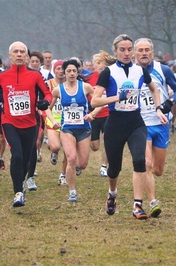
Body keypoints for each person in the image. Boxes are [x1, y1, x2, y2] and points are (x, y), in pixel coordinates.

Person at [91, 34, 167, 220]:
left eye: (129, 49)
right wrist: (118, 97)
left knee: (140, 161)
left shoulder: (141, 70)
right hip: (115, 124)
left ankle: (137, 206)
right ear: (115, 51)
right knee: (114, 168)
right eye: (122, 50)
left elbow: (154, 89)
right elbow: (94, 101)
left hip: (136, 123)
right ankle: (112, 193)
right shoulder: (108, 72)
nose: (126, 53)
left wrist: (158, 108)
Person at [0, 41, 54, 207]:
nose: (18, 54)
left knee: (25, 159)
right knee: (16, 155)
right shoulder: (1, 76)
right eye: (15, 52)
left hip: (31, 123)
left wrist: (45, 102)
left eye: (22, 52)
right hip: (10, 122)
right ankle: (18, 192)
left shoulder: (36, 75)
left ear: (27, 56)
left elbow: (48, 93)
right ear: (9, 55)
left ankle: (21, 182)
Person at [134, 38, 176, 217]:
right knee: (146, 163)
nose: (144, 53)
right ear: (135, 53)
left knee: (158, 170)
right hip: (140, 124)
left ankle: (149, 182)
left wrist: (169, 103)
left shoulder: (164, 70)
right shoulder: (131, 72)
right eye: (140, 50)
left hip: (161, 124)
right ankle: (153, 201)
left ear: (152, 52)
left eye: (147, 50)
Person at [50, 59, 97, 202]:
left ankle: (74, 170)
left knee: (81, 164)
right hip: (67, 128)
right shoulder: (58, 90)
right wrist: (53, 121)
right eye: (68, 71)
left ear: (78, 73)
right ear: (64, 73)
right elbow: (47, 107)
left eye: (74, 71)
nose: (71, 73)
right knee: (71, 158)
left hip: (83, 129)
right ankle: (72, 191)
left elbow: (99, 101)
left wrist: (92, 114)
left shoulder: (86, 87)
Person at [88, 50, 116, 178]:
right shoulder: (89, 78)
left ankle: (104, 166)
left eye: (99, 62)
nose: (96, 65)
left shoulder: (110, 77)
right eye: (95, 63)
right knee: (94, 147)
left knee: (108, 140)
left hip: (107, 114)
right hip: (92, 117)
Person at [45, 60, 68, 185]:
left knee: (68, 151)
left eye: (62, 69)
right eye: (58, 68)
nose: (61, 71)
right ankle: (54, 152)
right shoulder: (48, 84)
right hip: (52, 118)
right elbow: (44, 100)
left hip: (67, 120)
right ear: (54, 70)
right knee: (55, 146)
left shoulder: (71, 84)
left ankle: (63, 175)